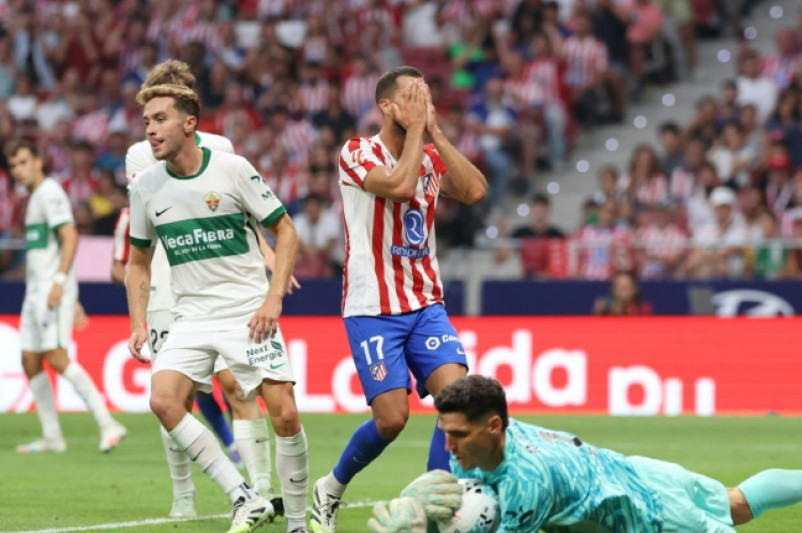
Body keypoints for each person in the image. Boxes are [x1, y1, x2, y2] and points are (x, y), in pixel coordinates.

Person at [369, 375, 802, 533]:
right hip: (639, 474)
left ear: (493, 427)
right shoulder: (491, 438)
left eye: (458, 435)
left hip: (650, 518)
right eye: (444, 432)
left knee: (738, 509)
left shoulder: (528, 479)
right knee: (737, 504)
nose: (448, 446)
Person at [310, 65, 487, 533]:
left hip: (425, 303)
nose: (422, 101)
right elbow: (400, 186)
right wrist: (418, 137)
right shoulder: (356, 151)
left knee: (457, 402)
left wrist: (435, 133)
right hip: (373, 307)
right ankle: (330, 488)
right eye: (413, 95)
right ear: (386, 106)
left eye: (426, 93)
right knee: (391, 420)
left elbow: (474, 190)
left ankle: (434, 510)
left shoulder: (428, 154)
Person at [125, 84, 308, 533]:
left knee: (284, 414)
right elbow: (138, 261)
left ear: (190, 124)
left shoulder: (232, 169)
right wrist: (138, 321)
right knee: (164, 401)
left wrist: (273, 297)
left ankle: (297, 523)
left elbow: (286, 230)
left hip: (247, 312)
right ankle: (244, 497)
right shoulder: (145, 186)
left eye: (160, 119)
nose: (150, 130)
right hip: (190, 316)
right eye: (146, 122)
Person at [8, 139, 128, 454]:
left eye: (23, 162)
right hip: (36, 291)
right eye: (13, 165)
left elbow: (70, 235)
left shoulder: (50, 192)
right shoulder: (35, 196)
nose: (18, 170)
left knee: (57, 357)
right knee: (29, 360)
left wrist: (62, 283)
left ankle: (108, 423)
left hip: (51, 288)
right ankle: (52, 437)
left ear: (39, 161)